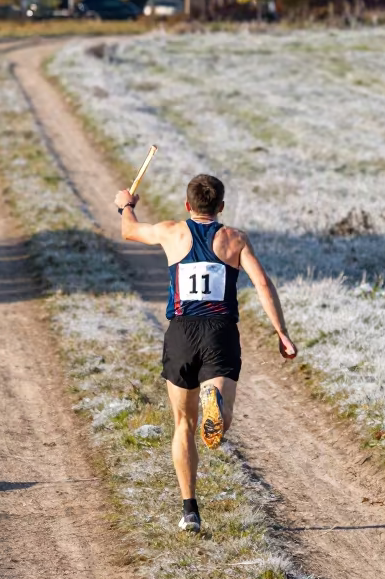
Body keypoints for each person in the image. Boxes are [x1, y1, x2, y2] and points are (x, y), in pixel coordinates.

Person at [114, 173, 297, 533]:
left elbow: (129, 231)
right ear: (221, 207)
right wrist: (281, 333)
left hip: (181, 333)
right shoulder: (234, 239)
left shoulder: (171, 231)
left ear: (188, 206)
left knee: (183, 424)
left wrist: (126, 205)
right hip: (219, 333)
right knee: (221, 419)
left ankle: (190, 511)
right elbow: (261, 283)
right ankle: (216, 401)